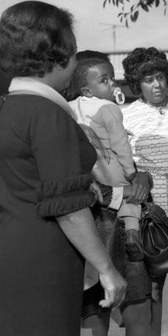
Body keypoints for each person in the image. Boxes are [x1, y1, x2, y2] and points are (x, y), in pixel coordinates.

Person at [0, 0, 126, 336]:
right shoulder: (47, 114)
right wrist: (107, 268)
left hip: (9, 247)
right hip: (44, 256)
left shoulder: (7, 108)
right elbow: (68, 209)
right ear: (58, 54)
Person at [122, 47, 168, 336]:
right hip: (149, 212)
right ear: (136, 84)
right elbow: (124, 165)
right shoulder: (127, 116)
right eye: (148, 80)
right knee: (152, 284)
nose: (157, 85)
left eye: (160, 77)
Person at [66, 56, 143, 262]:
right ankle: (131, 232)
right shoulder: (109, 108)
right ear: (87, 90)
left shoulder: (69, 107)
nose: (112, 84)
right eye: (104, 80)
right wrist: (131, 172)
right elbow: (120, 144)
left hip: (88, 173)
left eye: (112, 78)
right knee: (132, 198)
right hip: (111, 169)